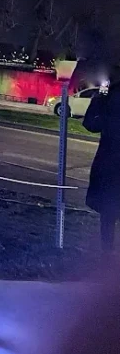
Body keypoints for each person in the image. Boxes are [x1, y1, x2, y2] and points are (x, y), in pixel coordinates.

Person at [83, 68, 120, 251]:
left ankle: (106, 260)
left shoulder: (110, 98)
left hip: (110, 163)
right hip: (110, 163)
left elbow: (91, 124)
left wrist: (97, 101)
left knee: (108, 216)